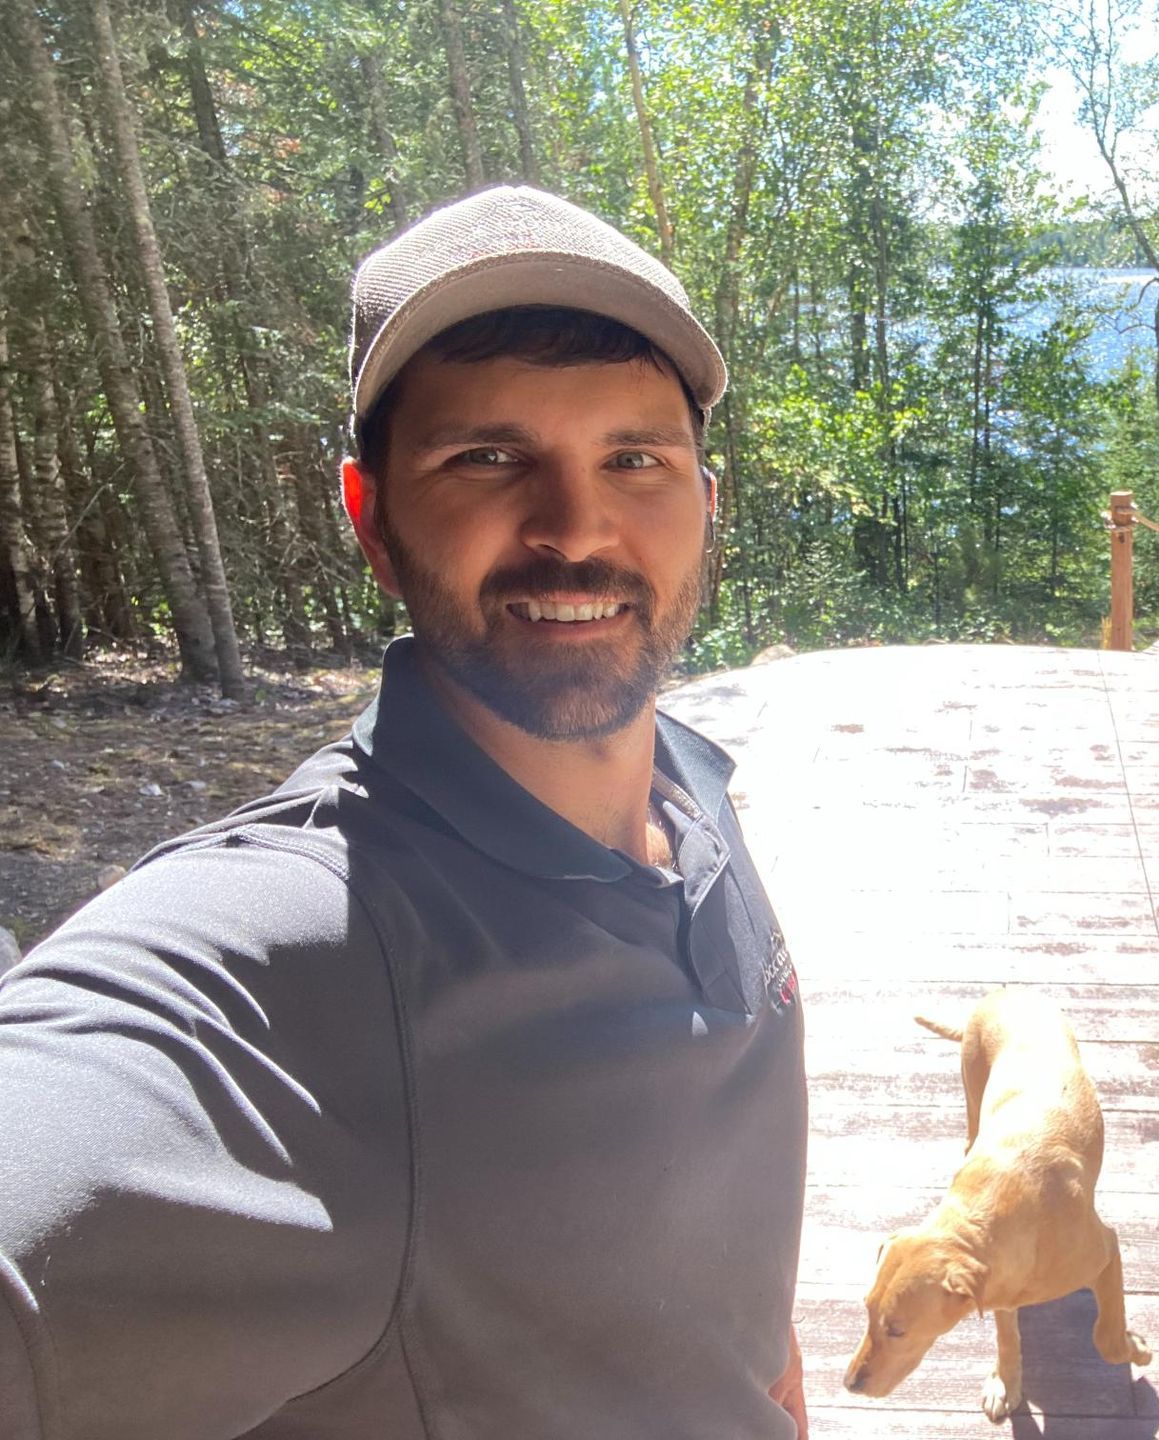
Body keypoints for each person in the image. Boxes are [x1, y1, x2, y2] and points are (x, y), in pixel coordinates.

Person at [0, 186, 809, 1439]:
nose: (575, 528)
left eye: (633, 459)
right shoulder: (308, 953)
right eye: (487, 458)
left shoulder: (691, 788)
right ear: (371, 518)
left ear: (707, 503)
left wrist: (767, 1375)